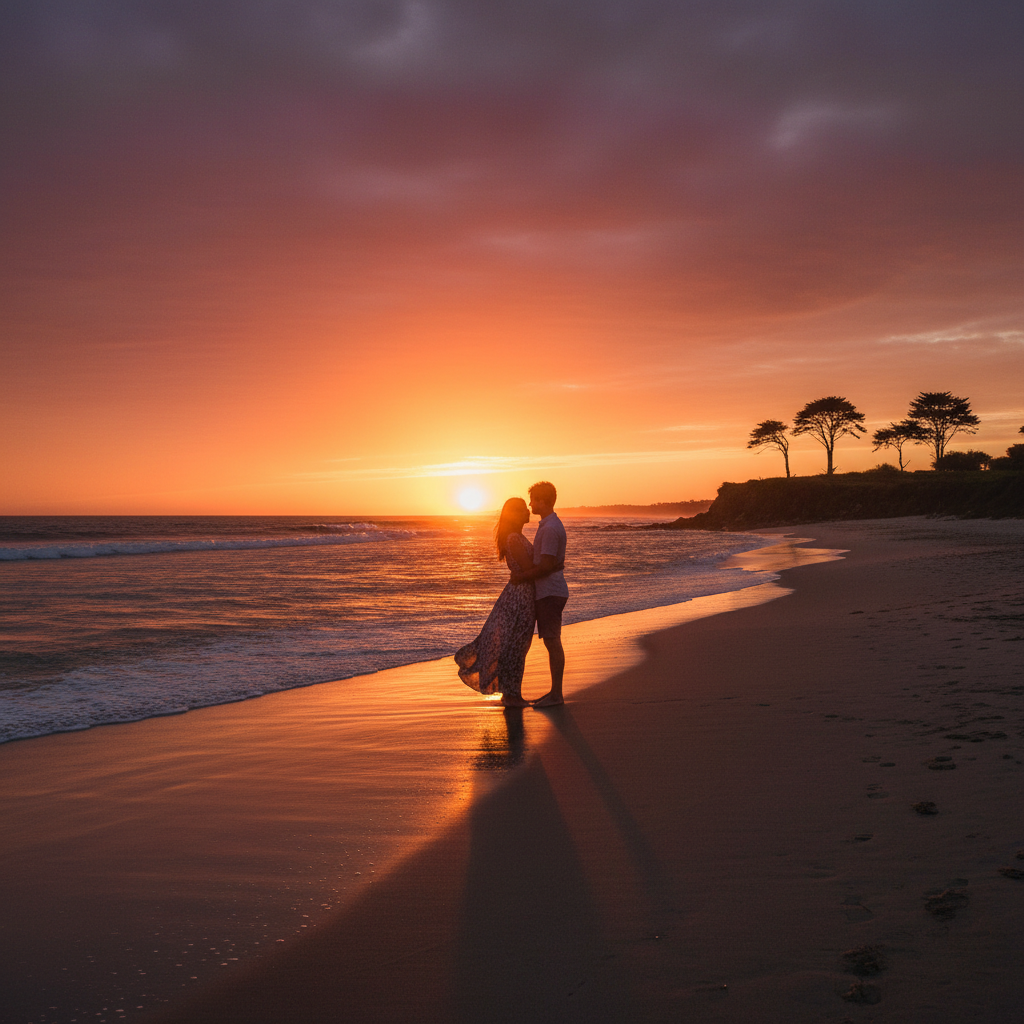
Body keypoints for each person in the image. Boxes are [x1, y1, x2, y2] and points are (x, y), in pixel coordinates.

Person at [454, 497, 537, 708]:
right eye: (523, 509)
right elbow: (529, 569)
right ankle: (512, 695)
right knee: (516, 646)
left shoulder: (515, 536)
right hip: (520, 597)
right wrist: (552, 566)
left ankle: (511, 693)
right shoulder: (514, 539)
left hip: (519, 594)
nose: (528, 511)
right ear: (515, 514)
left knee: (515, 645)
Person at [511, 480, 568, 707]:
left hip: (550, 592)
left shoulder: (551, 528)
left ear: (543, 501)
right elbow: (549, 564)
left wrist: (520, 577)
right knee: (551, 641)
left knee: (552, 642)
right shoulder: (547, 525)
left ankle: (556, 695)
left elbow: (546, 565)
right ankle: (554, 693)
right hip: (550, 591)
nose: (530, 503)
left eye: (533, 499)